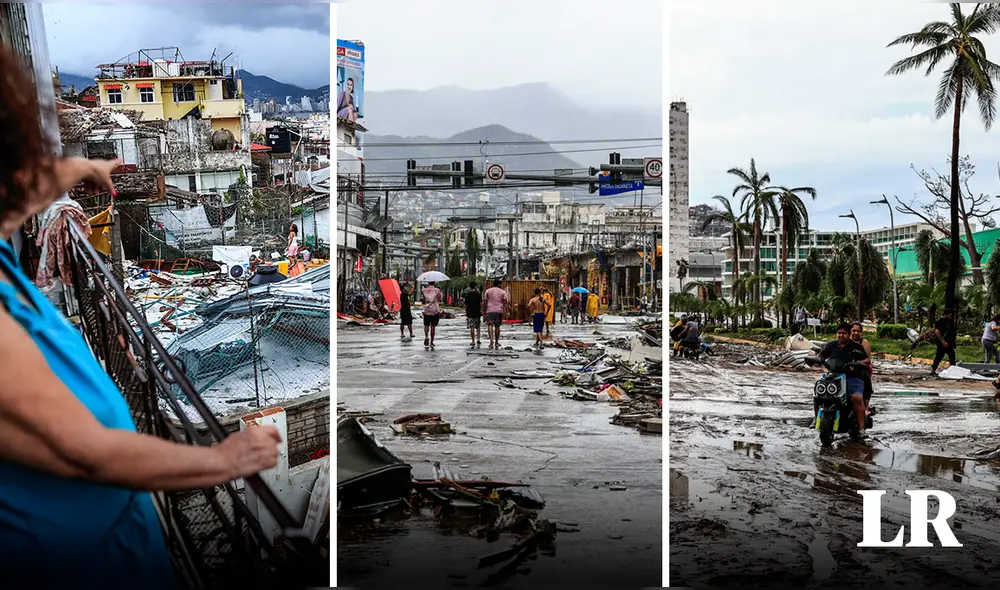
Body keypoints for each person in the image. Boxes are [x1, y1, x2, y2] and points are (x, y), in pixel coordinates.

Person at [0, 46, 281, 587]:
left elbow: (13, 199)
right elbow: (89, 454)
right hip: (73, 561)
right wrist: (225, 460)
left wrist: (79, 167)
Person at [818, 324, 870, 439]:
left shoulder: (856, 347)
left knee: (856, 397)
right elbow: (821, 355)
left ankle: (862, 429)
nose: (841, 335)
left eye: (844, 333)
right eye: (839, 333)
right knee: (819, 393)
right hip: (834, 376)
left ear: (848, 334)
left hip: (853, 377)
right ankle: (815, 419)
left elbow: (867, 360)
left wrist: (858, 363)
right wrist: (818, 360)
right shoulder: (831, 345)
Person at [850, 322, 874, 415]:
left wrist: (857, 363)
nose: (856, 333)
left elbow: (867, 359)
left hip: (862, 367)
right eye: (854, 331)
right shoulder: (845, 340)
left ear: (861, 333)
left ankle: (866, 407)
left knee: (866, 378)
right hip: (846, 367)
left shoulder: (864, 343)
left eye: (858, 331)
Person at [931, 308, 957, 376]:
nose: (950, 317)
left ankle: (953, 370)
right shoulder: (940, 321)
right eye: (949, 315)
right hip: (942, 343)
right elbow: (937, 331)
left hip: (948, 343)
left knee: (952, 355)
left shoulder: (948, 321)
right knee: (938, 357)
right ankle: (933, 370)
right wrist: (942, 341)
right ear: (945, 314)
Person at [483, 279, 508, 349]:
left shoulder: (488, 291)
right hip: (499, 311)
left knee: (490, 325)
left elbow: (485, 301)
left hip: (489, 310)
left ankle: (491, 340)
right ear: (499, 284)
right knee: (497, 326)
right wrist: (506, 311)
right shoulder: (502, 292)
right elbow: (505, 302)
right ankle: (496, 341)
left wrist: (484, 310)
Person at [421, 281, 443, 349]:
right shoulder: (437, 290)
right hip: (435, 310)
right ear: (434, 283)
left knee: (426, 325)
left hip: (427, 310)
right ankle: (432, 342)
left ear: (428, 283)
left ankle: (426, 336)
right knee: (433, 326)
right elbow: (440, 299)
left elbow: (423, 299)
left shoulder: (424, 290)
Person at [464, 282, 483, 348]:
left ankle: (473, 341)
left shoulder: (467, 295)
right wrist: (481, 310)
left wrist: (466, 312)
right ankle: (478, 339)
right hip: (477, 312)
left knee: (472, 327)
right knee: (478, 326)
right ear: (475, 286)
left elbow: (466, 305)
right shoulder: (478, 294)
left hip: (470, 312)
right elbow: (481, 304)